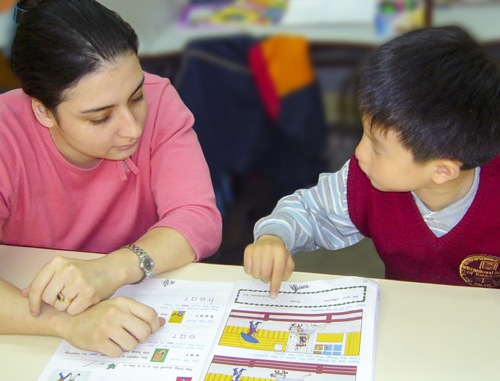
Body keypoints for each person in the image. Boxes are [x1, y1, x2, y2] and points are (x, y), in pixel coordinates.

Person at [0, 0, 222, 357]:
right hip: (26, 323)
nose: (132, 129)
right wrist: (65, 324)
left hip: (138, 294)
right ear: (43, 111)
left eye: (136, 98)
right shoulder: (6, 136)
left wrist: (112, 268)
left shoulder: (161, 99)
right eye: (100, 118)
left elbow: (199, 219)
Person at [244, 26, 500, 298]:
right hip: (405, 318)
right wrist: (274, 236)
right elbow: (309, 211)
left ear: (442, 171)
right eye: (364, 134)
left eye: (377, 147)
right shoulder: (363, 182)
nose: (358, 153)